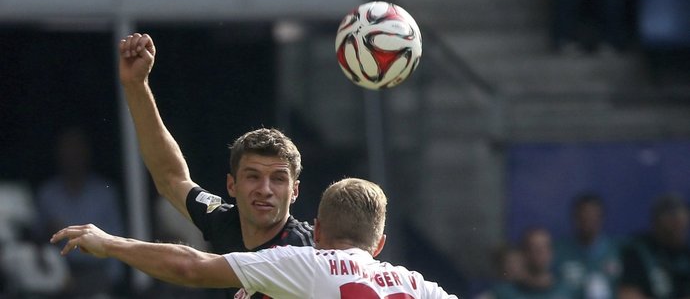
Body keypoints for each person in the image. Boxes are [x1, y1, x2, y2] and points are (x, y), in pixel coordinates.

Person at [118, 33, 313, 296]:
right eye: (253, 176)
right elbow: (170, 178)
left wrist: (108, 244)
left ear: (295, 191)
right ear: (231, 185)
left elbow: (189, 268)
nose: (265, 189)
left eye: (278, 179)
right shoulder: (225, 220)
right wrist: (135, 84)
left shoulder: (305, 249)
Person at [50, 178, 457, 298]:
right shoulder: (420, 286)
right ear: (380, 244)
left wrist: (111, 243)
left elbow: (191, 266)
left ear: (315, 231)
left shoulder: (301, 262)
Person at [35, 126, 125, 298]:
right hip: (57, 275)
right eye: (67, 148)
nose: (72, 155)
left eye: (77, 148)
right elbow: (36, 242)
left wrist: (112, 282)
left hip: (96, 274)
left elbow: (118, 239)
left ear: (87, 152)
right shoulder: (47, 194)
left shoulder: (105, 193)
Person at [617, 194, 690, 299]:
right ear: (656, 221)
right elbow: (627, 294)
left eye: (681, 221)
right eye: (671, 219)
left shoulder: (685, 255)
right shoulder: (638, 249)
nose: (677, 226)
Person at [553, 192, 621, 299]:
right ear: (575, 218)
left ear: (601, 218)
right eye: (583, 216)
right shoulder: (558, 251)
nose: (588, 221)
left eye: (593, 216)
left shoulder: (618, 250)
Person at [492, 227, 574, 298]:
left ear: (552, 252)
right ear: (523, 253)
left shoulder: (567, 290)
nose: (541, 253)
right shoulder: (505, 293)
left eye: (545, 247)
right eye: (535, 248)